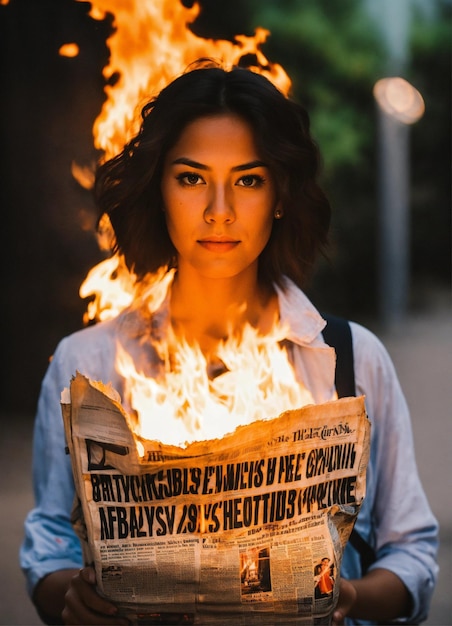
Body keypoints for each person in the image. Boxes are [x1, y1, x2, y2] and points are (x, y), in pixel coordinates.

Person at [20, 61, 438, 625]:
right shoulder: (87, 363)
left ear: (281, 195)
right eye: (191, 178)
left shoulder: (350, 359)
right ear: (159, 190)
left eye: (248, 180)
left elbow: (411, 551)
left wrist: (351, 598)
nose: (219, 211)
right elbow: (48, 545)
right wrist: (73, 597)